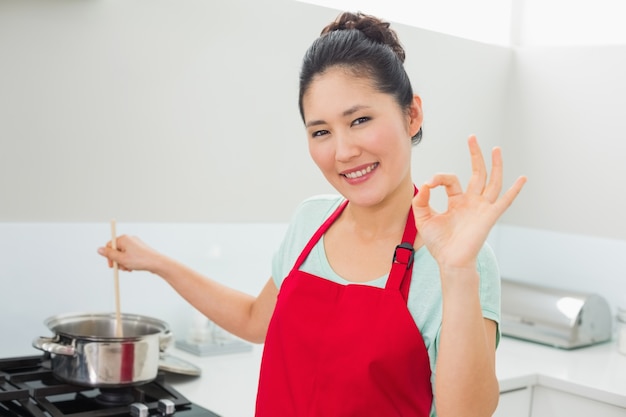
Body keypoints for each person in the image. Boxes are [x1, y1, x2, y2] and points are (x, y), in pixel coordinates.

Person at [98, 11, 526, 417]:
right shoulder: (310, 222)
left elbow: (465, 412)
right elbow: (253, 320)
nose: (342, 152)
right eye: (321, 131)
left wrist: (457, 272)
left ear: (411, 114)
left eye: (359, 120)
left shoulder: (460, 259)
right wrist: (154, 261)